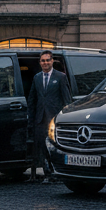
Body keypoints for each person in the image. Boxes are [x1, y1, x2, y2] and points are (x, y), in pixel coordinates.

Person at [27, 50, 72, 181]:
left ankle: (56, 172)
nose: (45, 63)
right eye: (43, 60)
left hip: (55, 119)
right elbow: (32, 99)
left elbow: (67, 100)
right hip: (40, 119)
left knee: (55, 146)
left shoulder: (60, 77)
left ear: (52, 61)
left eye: (47, 60)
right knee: (42, 146)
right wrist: (31, 118)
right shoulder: (37, 78)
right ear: (40, 62)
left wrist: (66, 119)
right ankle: (47, 172)